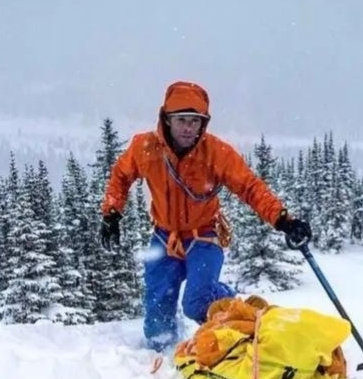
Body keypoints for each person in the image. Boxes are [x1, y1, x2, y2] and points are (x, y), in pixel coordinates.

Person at [99, 80, 311, 352]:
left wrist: (283, 219)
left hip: (204, 237)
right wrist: (111, 213)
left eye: (195, 121)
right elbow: (121, 175)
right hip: (164, 238)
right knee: (157, 315)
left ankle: (231, 308)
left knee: (196, 303)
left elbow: (249, 186)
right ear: (167, 120)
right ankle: (164, 353)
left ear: (203, 123)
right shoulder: (145, 148)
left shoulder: (216, 153)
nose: (188, 128)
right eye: (182, 120)